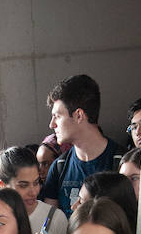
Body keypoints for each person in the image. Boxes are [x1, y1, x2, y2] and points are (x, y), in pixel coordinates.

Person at [43, 74, 122, 216]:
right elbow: (51, 230)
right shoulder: (59, 167)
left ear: (79, 115)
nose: (52, 124)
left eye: (58, 116)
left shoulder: (121, 163)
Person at [0, 146, 67, 234]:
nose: (33, 192)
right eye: (23, 185)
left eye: (36, 183)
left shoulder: (55, 218)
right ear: (3, 185)